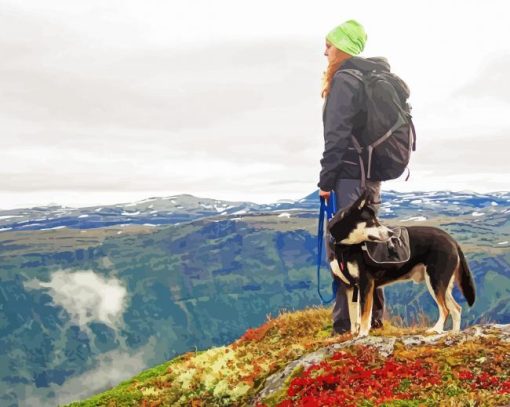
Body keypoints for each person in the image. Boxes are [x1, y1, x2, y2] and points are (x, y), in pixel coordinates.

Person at [317, 20, 385, 335]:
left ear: (342, 47)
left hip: (347, 176)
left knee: (343, 245)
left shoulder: (345, 80)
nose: (325, 50)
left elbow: (336, 136)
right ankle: (374, 318)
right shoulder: (368, 78)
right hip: (369, 176)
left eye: (329, 44)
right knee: (367, 241)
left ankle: (344, 324)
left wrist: (326, 181)